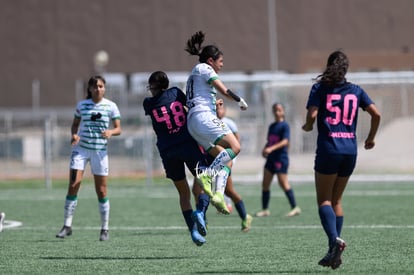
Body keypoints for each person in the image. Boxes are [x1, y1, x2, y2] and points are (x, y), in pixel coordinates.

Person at [302, 50, 381, 269]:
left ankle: (334, 242)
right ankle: (333, 251)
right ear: (346, 69)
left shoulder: (320, 88)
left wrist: (308, 126)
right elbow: (376, 114)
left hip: (329, 149)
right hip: (350, 150)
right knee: (336, 200)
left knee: (324, 201)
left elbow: (312, 116)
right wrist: (371, 138)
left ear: (328, 66)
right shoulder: (356, 90)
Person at [143, 71, 210, 246]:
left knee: (183, 193)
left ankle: (193, 231)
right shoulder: (175, 93)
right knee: (204, 182)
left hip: (167, 150)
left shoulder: (148, 103)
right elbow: (190, 108)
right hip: (188, 144)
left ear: (153, 87)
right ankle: (201, 213)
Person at [184, 30, 248, 215]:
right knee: (235, 147)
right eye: (220, 61)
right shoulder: (204, 68)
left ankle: (219, 194)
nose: (221, 65)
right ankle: (207, 175)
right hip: (202, 118)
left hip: (196, 122)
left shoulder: (196, 74)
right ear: (211, 60)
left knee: (224, 156)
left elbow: (202, 95)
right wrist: (238, 100)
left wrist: (213, 104)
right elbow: (223, 89)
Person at [56, 75, 122, 241]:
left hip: (100, 152)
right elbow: (75, 125)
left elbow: (118, 128)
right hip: (81, 150)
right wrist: (74, 135)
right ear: (90, 89)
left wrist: (110, 132)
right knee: (73, 185)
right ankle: (67, 226)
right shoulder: (82, 105)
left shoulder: (111, 106)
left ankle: (104, 229)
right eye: (95, 86)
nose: (98, 89)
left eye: (101, 86)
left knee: (101, 190)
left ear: (104, 88)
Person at [255, 103, 301, 218]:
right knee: (265, 184)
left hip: (280, 159)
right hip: (271, 159)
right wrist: (265, 149)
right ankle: (265, 209)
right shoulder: (272, 126)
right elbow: (270, 141)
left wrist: (271, 148)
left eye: (279, 110)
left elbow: (285, 141)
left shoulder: (285, 126)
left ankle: (295, 207)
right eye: (275, 110)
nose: (277, 112)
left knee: (283, 184)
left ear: (283, 112)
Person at [214, 98, 253, 232]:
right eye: (216, 107)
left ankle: (244, 216)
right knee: (197, 190)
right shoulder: (206, 122)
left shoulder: (227, 123)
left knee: (229, 190)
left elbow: (236, 140)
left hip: (225, 157)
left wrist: (231, 154)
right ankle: (202, 223)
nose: (218, 110)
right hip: (208, 158)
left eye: (220, 107)